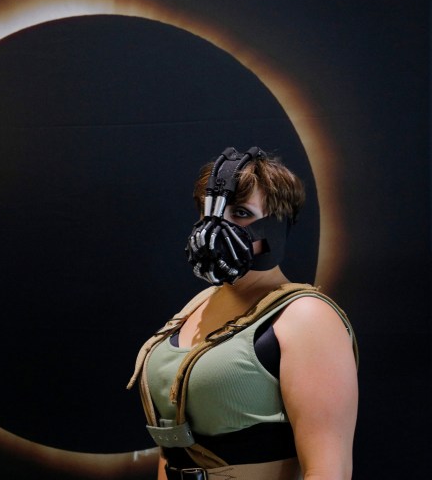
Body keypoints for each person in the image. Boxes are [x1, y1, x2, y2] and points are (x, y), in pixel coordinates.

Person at [128, 148, 358, 480]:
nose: (217, 227)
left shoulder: (305, 318)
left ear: (275, 225)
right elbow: (175, 446)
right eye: (210, 212)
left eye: (240, 212)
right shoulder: (198, 305)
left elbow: (328, 469)